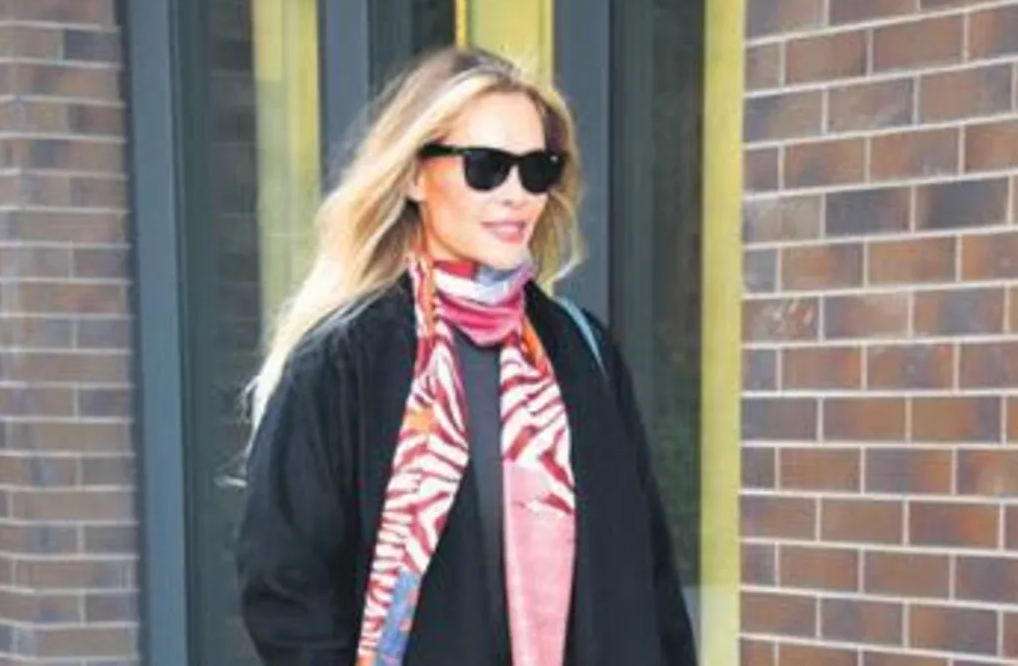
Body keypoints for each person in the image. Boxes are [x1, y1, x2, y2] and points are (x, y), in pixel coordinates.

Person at [234, 45, 698, 666]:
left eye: (537, 169)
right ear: (414, 177)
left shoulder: (581, 350)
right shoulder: (345, 360)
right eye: (486, 167)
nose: (517, 194)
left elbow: (651, 578)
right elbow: (285, 586)